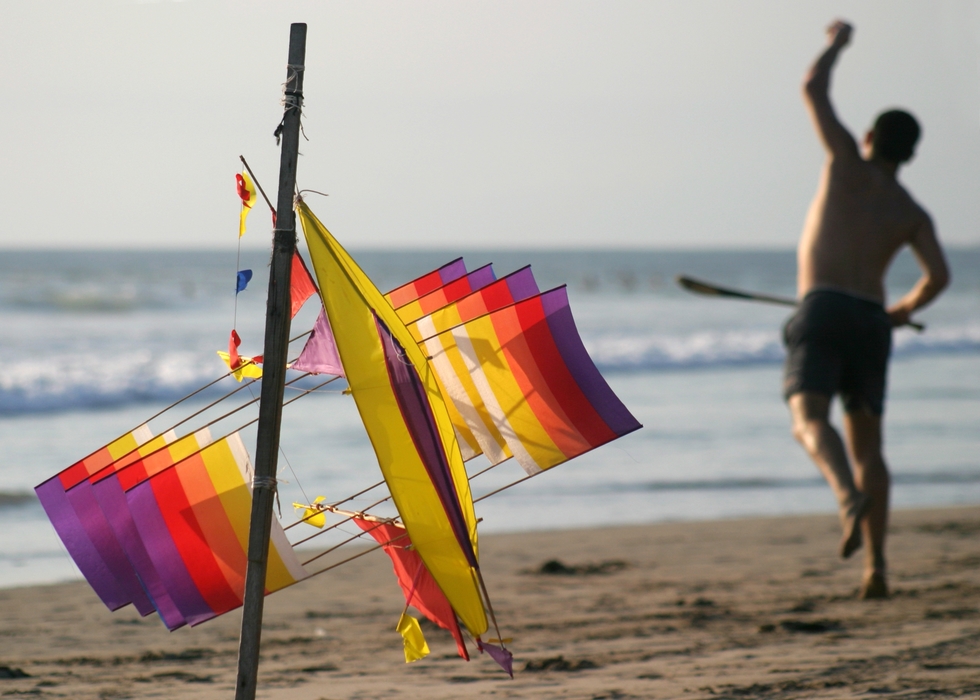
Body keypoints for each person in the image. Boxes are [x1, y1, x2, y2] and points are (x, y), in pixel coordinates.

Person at [783, 20, 950, 599]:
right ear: (910, 154)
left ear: (872, 136)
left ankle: (845, 495)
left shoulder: (846, 165)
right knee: (871, 450)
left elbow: (812, 89)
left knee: (808, 419)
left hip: (823, 308)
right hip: (870, 323)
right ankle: (876, 567)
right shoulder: (911, 210)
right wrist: (899, 313)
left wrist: (837, 44)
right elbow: (939, 278)